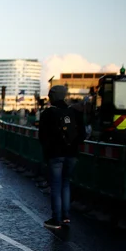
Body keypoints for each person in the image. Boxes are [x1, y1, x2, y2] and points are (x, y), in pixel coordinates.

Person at [39, 85, 82, 229]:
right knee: (66, 183)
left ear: (52, 96)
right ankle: (65, 217)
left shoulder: (48, 113)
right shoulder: (74, 112)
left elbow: (42, 136)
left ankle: (56, 219)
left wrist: (48, 150)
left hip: (55, 154)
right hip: (72, 154)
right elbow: (83, 133)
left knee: (56, 186)